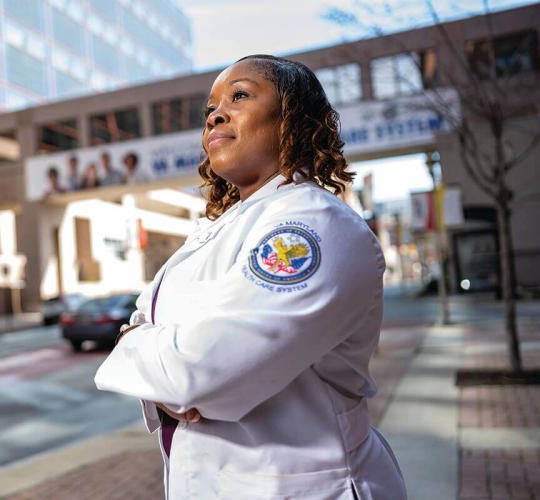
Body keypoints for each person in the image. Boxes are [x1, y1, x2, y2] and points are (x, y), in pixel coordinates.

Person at [94, 55, 406, 499]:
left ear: (291, 120)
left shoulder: (311, 226)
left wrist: (143, 349)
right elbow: (145, 327)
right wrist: (151, 347)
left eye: (239, 95)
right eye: (210, 109)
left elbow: (203, 374)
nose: (216, 114)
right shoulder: (220, 230)